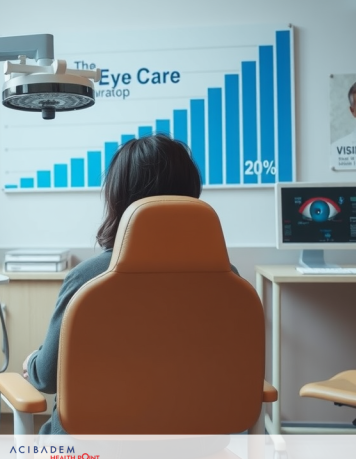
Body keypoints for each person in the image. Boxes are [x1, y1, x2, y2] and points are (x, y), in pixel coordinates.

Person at [21, 134, 236, 435]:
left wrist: (32, 362)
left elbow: (45, 378)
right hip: (197, 449)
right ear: (191, 193)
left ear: (118, 197)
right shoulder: (228, 279)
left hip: (93, 454)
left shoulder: (88, 278)